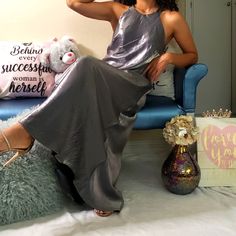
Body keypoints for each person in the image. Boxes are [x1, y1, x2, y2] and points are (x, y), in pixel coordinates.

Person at [0, 0, 198, 217]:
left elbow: (192, 54)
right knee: (87, 69)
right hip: (103, 79)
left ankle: (24, 132)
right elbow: (74, 3)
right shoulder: (117, 9)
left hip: (132, 85)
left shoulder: (171, 18)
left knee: (86, 64)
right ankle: (96, 189)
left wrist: (169, 57)